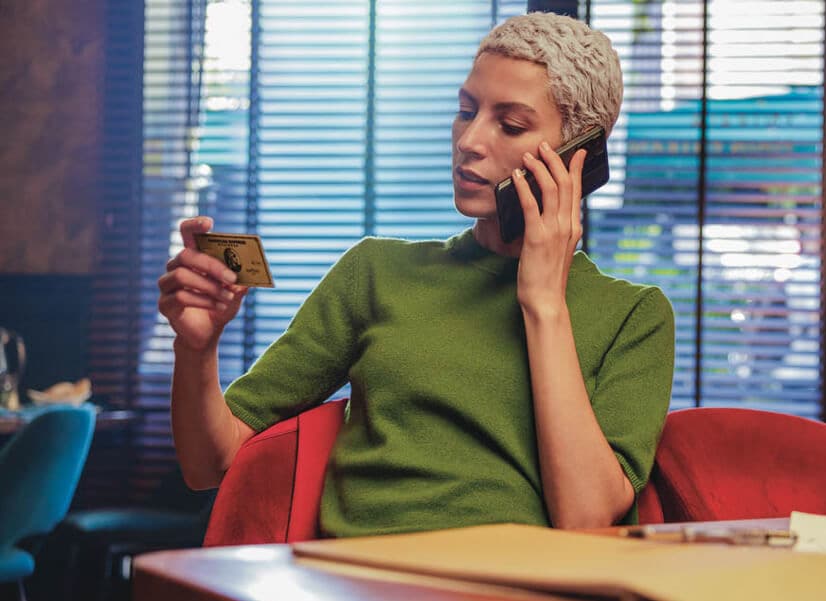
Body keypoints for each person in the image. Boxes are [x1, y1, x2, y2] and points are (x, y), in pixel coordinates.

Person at [156, 12, 675, 538]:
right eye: (465, 111)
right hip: (362, 581)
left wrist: (544, 302)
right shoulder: (377, 272)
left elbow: (585, 517)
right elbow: (210, 464)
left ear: (579, 156)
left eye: (510, 124)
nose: (470, 140)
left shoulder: (634, 316)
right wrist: (196, 349)